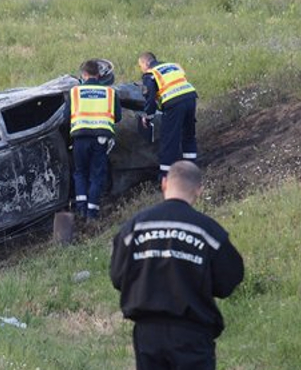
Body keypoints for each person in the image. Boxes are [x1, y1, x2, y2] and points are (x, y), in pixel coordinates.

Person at [110, 160, 244, 370]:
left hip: (147, 334)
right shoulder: (209, 232)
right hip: (192, 334)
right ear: (199, 190)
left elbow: (118, 276)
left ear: (164, 183)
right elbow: (229, 280)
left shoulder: (136, 227)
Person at [67, 59, 122, 219]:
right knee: (97, 175)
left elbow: (66, 116)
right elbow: (117, 117)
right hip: (101, 139)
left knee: (80, 173)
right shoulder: (110, 93)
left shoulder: (75, 92)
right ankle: (92, 213)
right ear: (99, 74)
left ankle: (81, 209)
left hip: (80, 138)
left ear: (83, 75)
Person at [137, 52, 199, 178]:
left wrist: (147, 117)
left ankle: (166, 175)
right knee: (188, 134)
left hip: (174, 103)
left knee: (169, 139)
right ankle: (192, 168)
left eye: (140, 66)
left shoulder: (150, 74)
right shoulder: (172, 66)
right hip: (190, 98)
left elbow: (150, 98)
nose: (141, 69)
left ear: (145, 63)